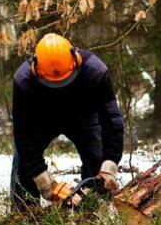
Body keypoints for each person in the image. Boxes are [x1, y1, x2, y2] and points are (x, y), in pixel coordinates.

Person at [10, 33, 125, 209]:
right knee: (23, 168)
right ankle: (23, 216)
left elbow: (112, 121)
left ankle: (92, 212)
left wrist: (110, 163)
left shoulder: (96, 72)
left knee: (97, 162)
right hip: (41, 121)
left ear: (76, 60)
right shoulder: (24, 81)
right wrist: (43, 180)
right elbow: (23, 134)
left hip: (83, 117)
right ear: (35, 69)